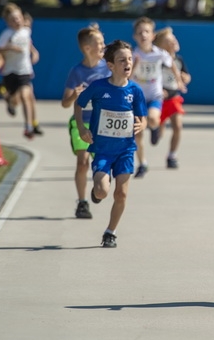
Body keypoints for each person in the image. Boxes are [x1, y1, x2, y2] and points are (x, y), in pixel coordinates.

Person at [74, 39, 148, 248]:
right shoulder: (98, 87)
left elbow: (142, 118)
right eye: (122, 60)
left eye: (130, 59)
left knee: (121, 193)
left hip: (125, 150)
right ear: (111, 65)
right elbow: (78, 105)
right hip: (104, 151)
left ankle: (110, 232)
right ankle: (96, 194)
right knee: (102, 191)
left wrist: (141, 126)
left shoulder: (135, 91)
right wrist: (81, 128)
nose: (128, 63)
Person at [61, 24, 110, 220]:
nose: (103, 46)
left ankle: (98, 190)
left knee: (101, 163)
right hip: (81, 122)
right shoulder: (76, 72)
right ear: (87, 48)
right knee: (82, 163)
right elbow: (65, 103)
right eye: (99, 43)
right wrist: (74, 94)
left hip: (103, 124)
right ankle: (82, 202)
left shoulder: (108, 69)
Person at [131, 16, 183, 177]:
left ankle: (154, 128)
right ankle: (142, 163)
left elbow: (172, 65)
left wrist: (179, 81)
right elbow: (127, 76)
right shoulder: (133, 54)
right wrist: (134, 66)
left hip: (154, 95)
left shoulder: (159, 54)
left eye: (146, 31)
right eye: (139, 32)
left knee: (153, 119)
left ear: (153, 35)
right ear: (135, 37)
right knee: (138, 133)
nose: (143, 35)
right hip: (137, 98)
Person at [0, 3, 40, 138]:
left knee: (25, 95)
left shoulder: (26, 31)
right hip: (10, 72)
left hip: (24, 71)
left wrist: (34, 52)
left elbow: (28, 42)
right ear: (8, 22)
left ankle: (29, 127)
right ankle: (9, 100)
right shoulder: (7, 34)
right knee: (16, 100)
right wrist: (9, 47)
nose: (16, 21)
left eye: (18, 18)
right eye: (13, 19)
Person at [153, 27, 190, 169]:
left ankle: (172, 155)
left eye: (174, 39)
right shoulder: (158, 61)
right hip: (160, 99)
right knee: (160, 130)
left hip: (174, 97)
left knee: (178, 126)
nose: (174, 42)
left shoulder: (179, 60)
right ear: (161, 45)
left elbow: (186, 75)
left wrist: (185, 78)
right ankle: (156, 129)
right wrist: (159, 89)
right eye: (169, 41)